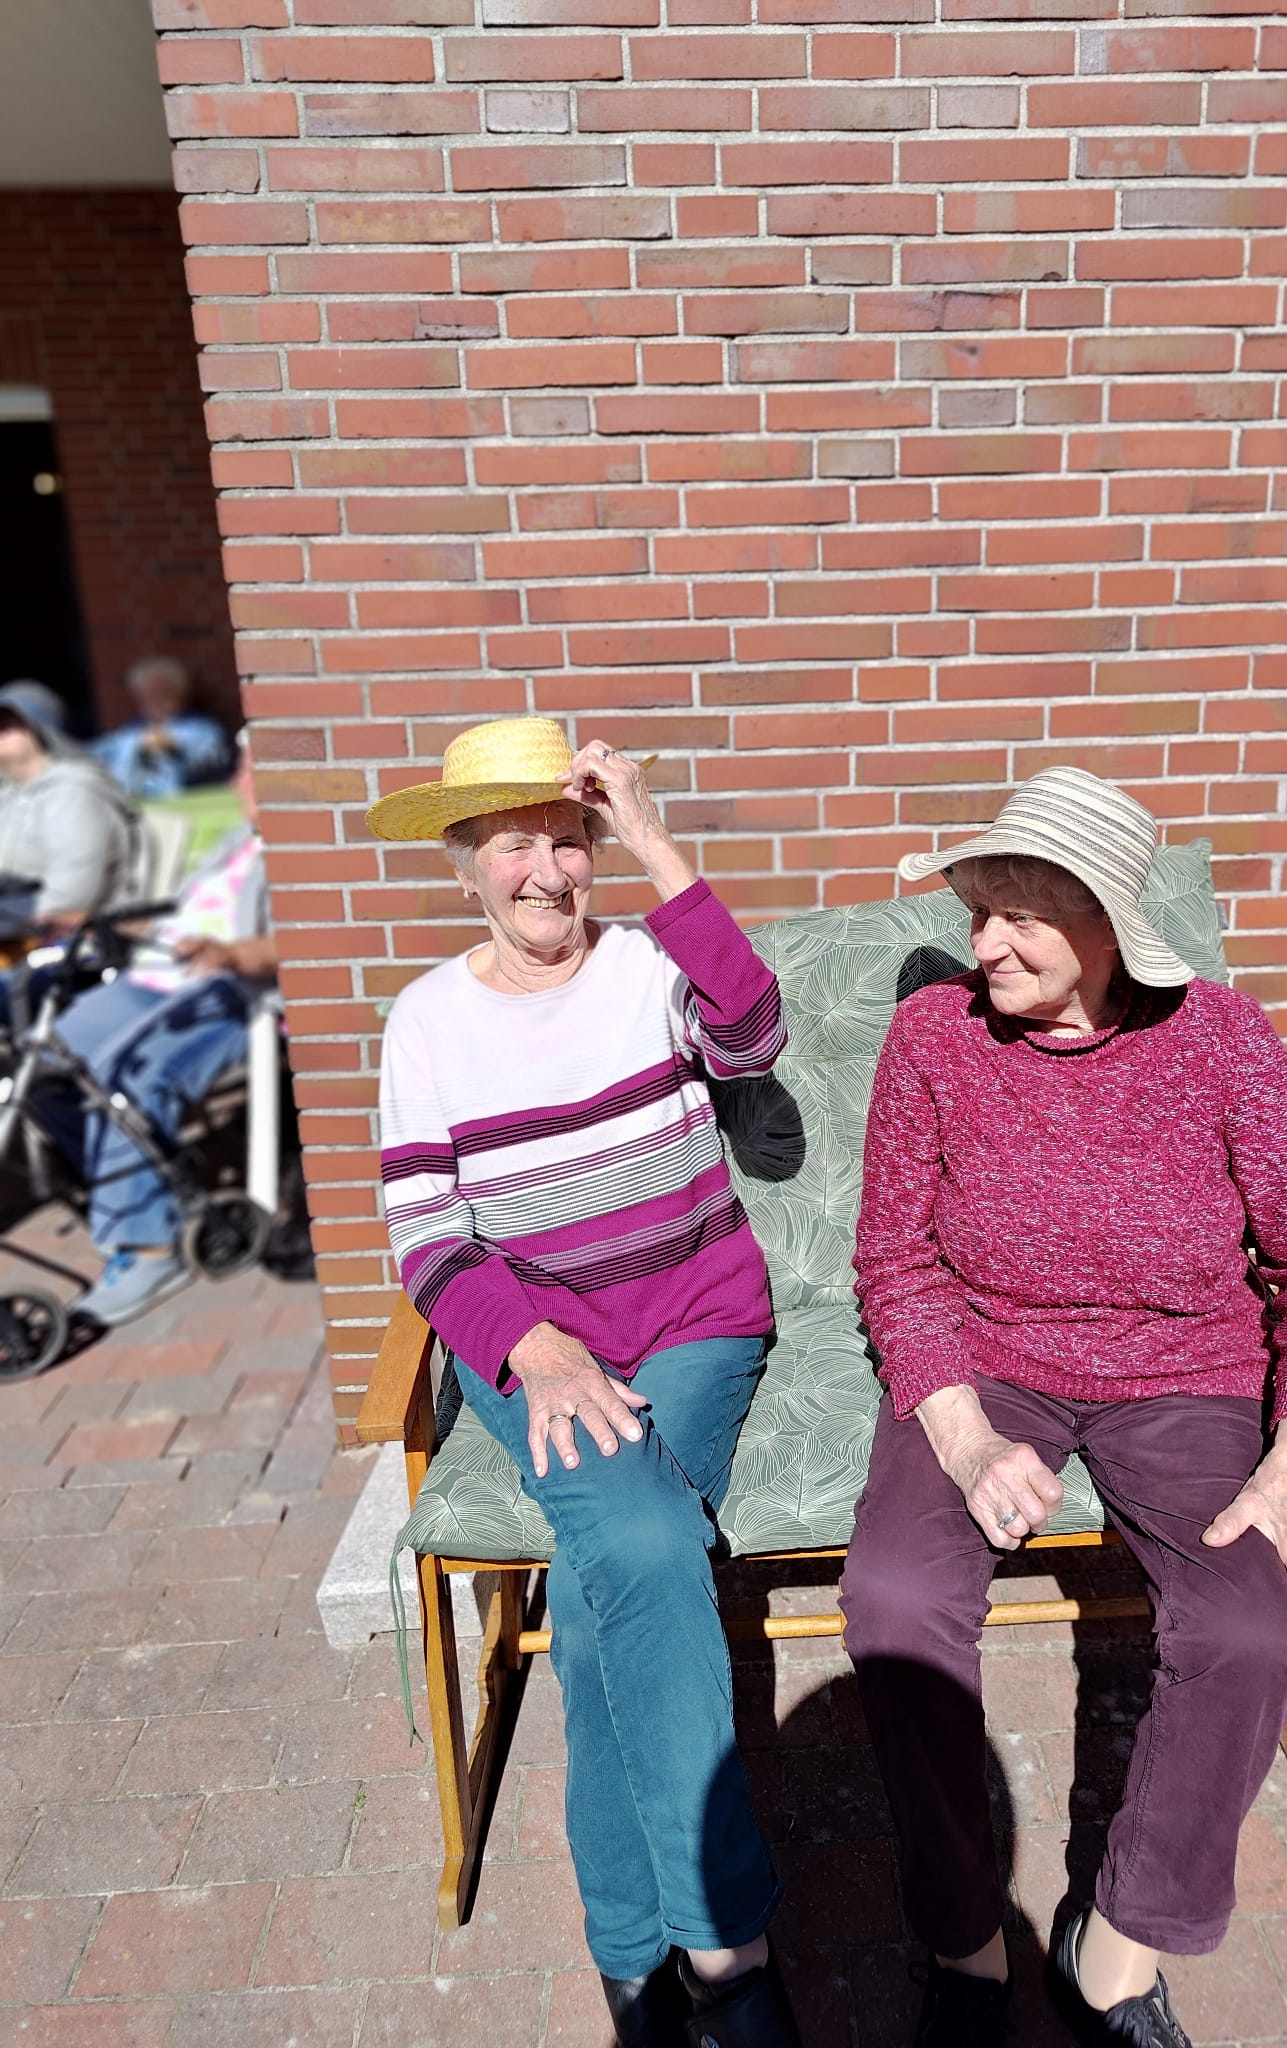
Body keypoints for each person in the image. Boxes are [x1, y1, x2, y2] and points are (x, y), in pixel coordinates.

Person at [839, 767, 1287, 2048]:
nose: (986, 942)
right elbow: (893, 1260)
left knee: (1250, 1631)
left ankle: (1115, 1951)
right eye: (981, 909)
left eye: (1023, 913)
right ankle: (967, 1947)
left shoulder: (1224, 1037)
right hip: (988, 1358)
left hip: (1184, 1372)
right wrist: (963, 1434)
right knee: (896, 1600)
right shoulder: (935, 1034)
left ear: (1106, 924)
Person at [371, 717, 802, 2048]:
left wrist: (661, 847)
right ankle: (723, 1946)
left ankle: (645, 1952)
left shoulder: (645, 968)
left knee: (623, 1589)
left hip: (695, 1320)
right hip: (536, 1352)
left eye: (569, 838)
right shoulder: (427, 1022)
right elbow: (425, 1232)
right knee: (648, 1544)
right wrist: (528, 1345)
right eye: (515, 845)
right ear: (465, 865)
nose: (546, 872)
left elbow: (756, 1031)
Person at [55, 734, 275, 1327]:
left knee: (129, 1077)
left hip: (226, 994)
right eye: (239, 769)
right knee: (49, 1058)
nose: (239, 782)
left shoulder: (293, 853)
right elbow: (180, 911)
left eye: (252, 769)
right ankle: (127, 1177)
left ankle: (149, 1249)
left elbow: (298, 945)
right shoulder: (235, 843)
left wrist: (229, 953)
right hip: (156, 976)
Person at [0, 680, 137, 943]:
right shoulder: (8, 794)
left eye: (9, 725)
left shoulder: (75, 792)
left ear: (38, 727)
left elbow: (69, 897)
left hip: (67, 943)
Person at [92, 656, 229, 800]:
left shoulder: (201, 726)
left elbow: (207, 754)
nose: (152, 699)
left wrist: (163, 742)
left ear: (178, 692)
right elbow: (101, 751)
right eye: (145, 694)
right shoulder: (132, 728)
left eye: (159, 692)